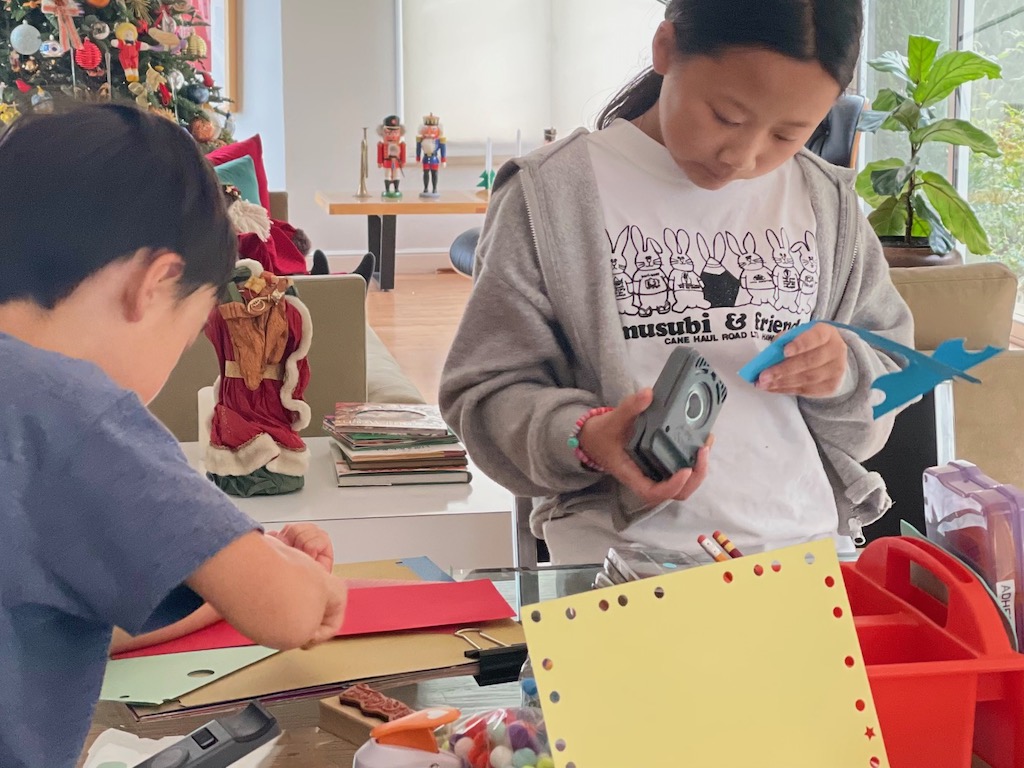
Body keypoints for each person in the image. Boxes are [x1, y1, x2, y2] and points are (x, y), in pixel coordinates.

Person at [440, 0, 914, 565]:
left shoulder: (829, 203)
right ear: (665, 48)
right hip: (618, 564)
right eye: (726, 117)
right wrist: (590, 436)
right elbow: (486, 392)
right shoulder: (552, 195)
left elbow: (890, 370)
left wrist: (845, 370)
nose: (743, 156)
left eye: (789, 134)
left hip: (808, 554)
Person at [0, 103, 348, 768]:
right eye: (187, 335)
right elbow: (287, 613)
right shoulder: (81, 413)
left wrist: (225, 557)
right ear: (153, 286)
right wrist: (304, 581)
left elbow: (61, 607)